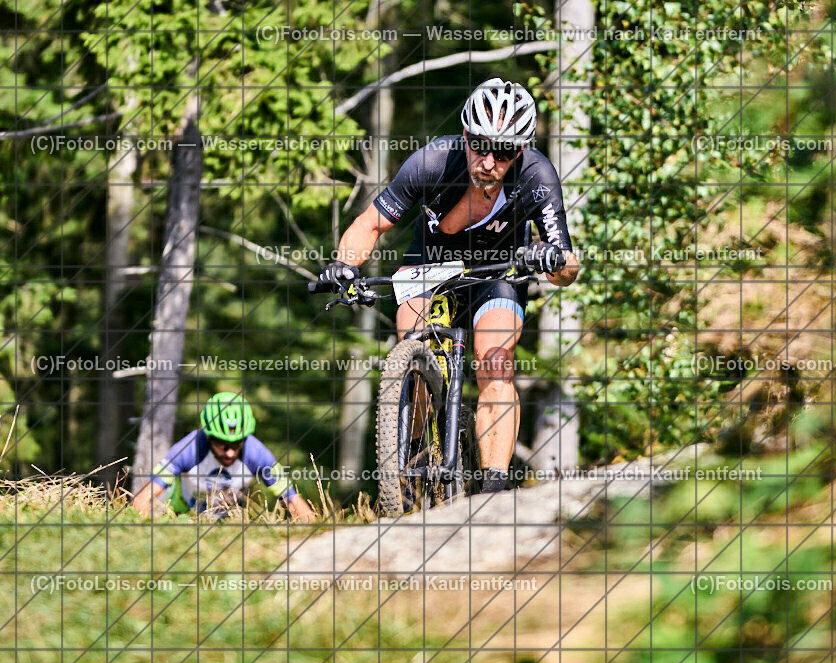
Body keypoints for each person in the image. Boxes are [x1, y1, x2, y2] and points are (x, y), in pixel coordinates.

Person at [317, 78, 579, 493]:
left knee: (495, 361)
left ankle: (492, 487)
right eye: (480, 144)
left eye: (505, 150)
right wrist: (343, 266)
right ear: (464, 137)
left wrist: (550, 258)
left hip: (498, 272)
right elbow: (370, 223)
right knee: (412, 350)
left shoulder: (536, 175)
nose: (490, 160)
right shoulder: (433, 162)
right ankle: (409, 456)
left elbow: (567, 264)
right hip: (430, 266)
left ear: (522, 149)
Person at [132, 392, 316, 521]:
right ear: (209, 436)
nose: (230, 452)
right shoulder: (187, 449)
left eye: (237, 444)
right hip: (183, 518)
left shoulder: (258, 453)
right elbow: (143, 499)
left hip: (229, 522)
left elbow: (293, 500)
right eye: (222, 444)